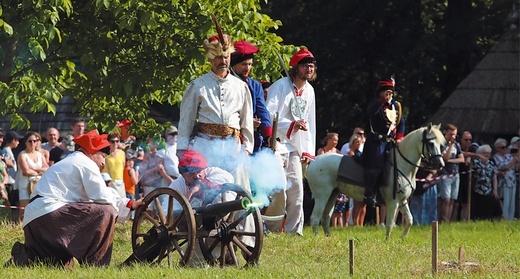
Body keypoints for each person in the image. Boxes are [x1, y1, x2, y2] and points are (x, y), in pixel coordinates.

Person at [6, 130, 143, 267]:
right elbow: (103, 196)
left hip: (35, 220)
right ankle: (98, 263)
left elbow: (103, 191)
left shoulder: (73, 161)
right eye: (102, 156)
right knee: (107, 211)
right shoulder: (85, 163)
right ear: (91, 152)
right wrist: (128, 205)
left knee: (60, 265)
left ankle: (23, 258)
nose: (103, 163)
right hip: (50, 215)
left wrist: (130, 203)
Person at [176, 32, 254, 192]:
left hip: (233, 148)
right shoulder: (198, 86)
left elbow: (246, 123)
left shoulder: (241, 87)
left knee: (236, 191)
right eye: (219, 57)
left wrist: (246, 149)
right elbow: (186, 121)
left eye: (226, 56)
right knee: (205, 191)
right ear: (211, 58)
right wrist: (182, 150)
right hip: (205, 148)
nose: (223, 61)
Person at [264, 48, 317, 235]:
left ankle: (294, 231)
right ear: (296, 68)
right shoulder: (280, 86)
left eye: (311, 66)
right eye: (305, 66)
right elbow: (269, 114)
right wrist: (291, 125)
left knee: (297, 191)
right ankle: (271, 228)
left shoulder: (309, 91)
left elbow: (310, 121)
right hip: (278, 144)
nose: (309, 69)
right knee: (279, 190)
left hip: (294, 147)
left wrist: (307, 150)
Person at [361, 77, 405, 208]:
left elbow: (401, 123)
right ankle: (368, 194)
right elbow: (370, 113)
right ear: (380, 92)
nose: (389, 94)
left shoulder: (396, 106)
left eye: (391, 92)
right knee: (377, 167)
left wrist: (400, 137)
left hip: (391, 142)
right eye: (386, 91)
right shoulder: (375, 104)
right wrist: (382, 101)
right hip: (377, 142)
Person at [230, 40, 272, 153]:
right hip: (229, 138)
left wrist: (268, 136)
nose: (247, 68)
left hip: (251, 139)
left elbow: (262, 111)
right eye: (244, 64)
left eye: (250, 64)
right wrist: (247, 121)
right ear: (234, 64)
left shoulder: (255, 86)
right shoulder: (225, 82)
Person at [15, 132, 49, 223]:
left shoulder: (39, 154)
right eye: (30, 141)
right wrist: (39, 172)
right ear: (26, 142)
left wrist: (35, 168)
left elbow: (47, 168)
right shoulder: (22, 155)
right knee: (24, 210)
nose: (33, 143)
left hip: (38, 185)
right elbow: (26, 171)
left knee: (38, 208)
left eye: (35, 140)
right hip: (25, 185)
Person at [436, 124, 464, 223]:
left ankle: (447, 221)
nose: (453, 137)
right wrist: (450, 145)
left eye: (455, 134)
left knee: (452, 199)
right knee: (445, 199)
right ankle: (442, 220)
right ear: (445, 133)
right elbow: (445, 157)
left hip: (455, 174)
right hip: (444, 174)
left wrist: (451, 161)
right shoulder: (441, 144)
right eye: (451, 134)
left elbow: (462, 159)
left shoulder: (457, 145)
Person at [470, 144, 502, 221]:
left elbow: (494, 177)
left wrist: (495, 189)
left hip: (489, 190)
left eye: (488, 153)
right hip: (478, 190)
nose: (487, 155)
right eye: (484, 153)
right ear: (480, 153)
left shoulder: (491, 164)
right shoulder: (475, 163)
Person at [494, 138, 518, 220]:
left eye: (505, 147)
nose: (505, 149)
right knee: (505, 202)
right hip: (503, 182)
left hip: (512, 181)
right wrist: (513, 161)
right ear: (497, 148)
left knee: (512, 202)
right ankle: (505, 219)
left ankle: (510, 219)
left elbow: (516, 168)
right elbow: (502, 167)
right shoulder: (496, 157)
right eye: (502, 147)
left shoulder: (509, 156)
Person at [3, 131, 24, 222]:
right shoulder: (5, 151)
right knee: (12, 204)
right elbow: (6, 164)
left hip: (12, 180)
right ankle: (11, 221)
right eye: (17, 140)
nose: (18, 142)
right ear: (13, 140)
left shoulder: (9, 151)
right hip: (9, 181)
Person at [102, 133, 126, 198]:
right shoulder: (106, 154)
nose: (115, 143)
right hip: (110, 183)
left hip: (120, 182)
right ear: (109, 142)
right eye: (113, 141)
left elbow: (123, 166)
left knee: (122, 202)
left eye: (117, 141)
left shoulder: (122, 153)